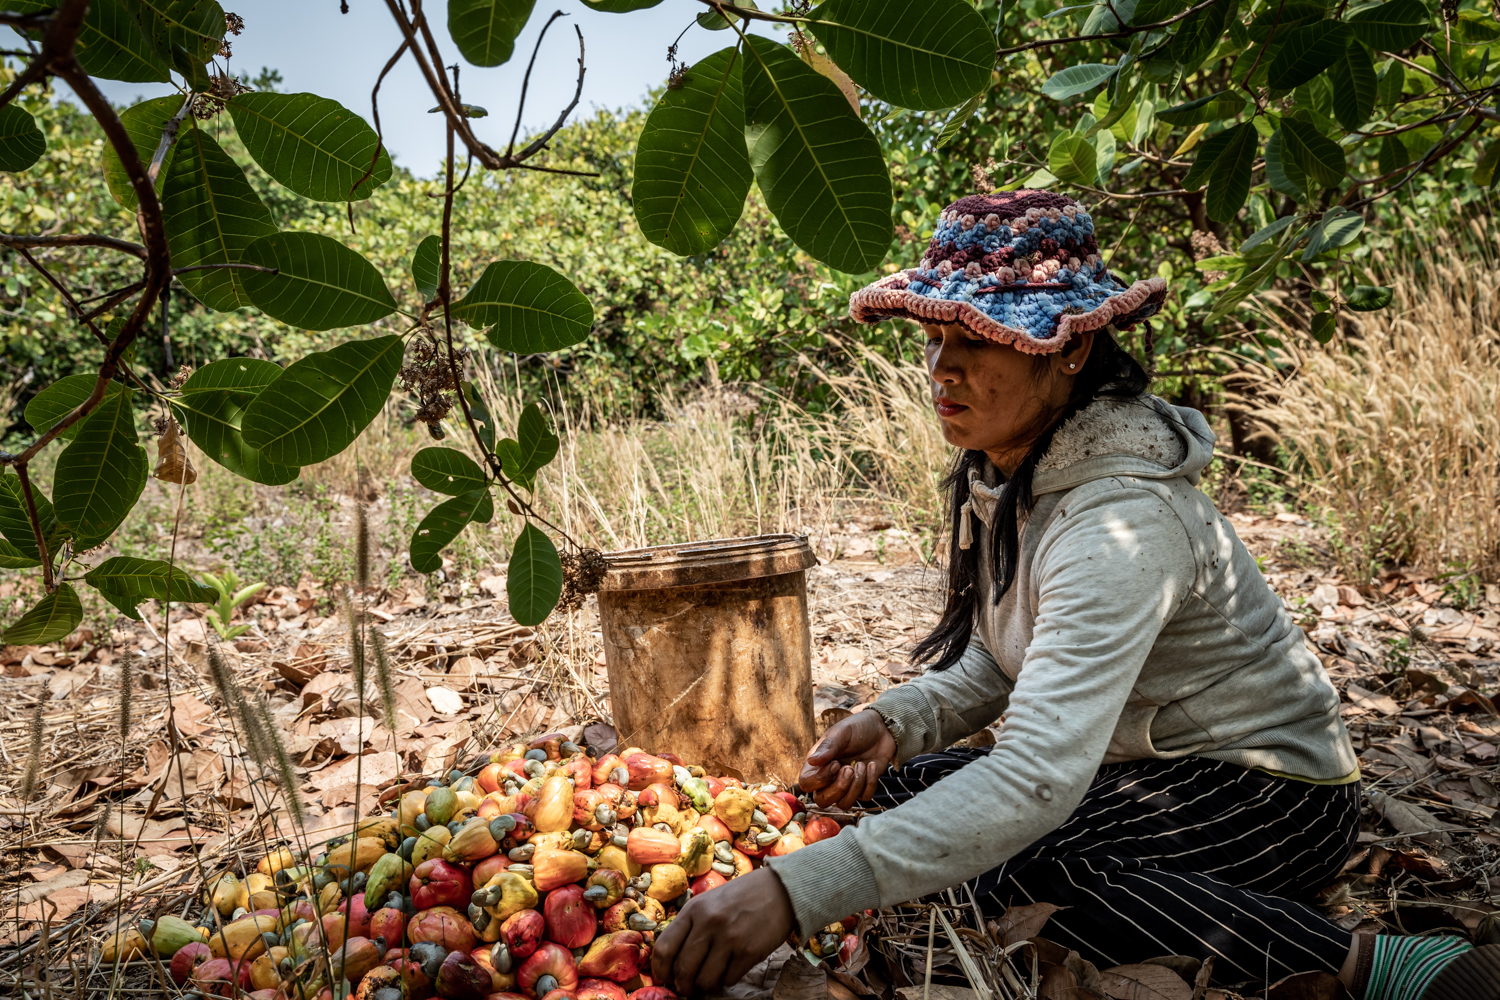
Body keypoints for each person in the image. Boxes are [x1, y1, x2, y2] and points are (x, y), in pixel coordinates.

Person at [649, 191, 1500, 1000]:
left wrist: (793, 893)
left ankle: (1378, 965)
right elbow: (1002, 659)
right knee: (891, 798)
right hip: (1133, 767)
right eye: (934, 338)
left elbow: (1034, 779)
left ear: (1070, 350)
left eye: (978, 340)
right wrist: (899, 722)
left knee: (1032, 876)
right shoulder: (1013, 472)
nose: (943, 369)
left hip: (1268, 794)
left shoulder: (1123, 523)